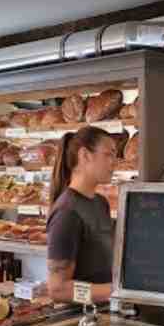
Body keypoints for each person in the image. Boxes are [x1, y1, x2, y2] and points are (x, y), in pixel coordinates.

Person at [46, 126, 117, 303]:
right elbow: (58, 290)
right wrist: (113, 292)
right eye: (108, 154)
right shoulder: (67, 212)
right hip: (80, 316)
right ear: (85, 155)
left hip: (104, 312)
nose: (114, 162)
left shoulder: (100, 203)